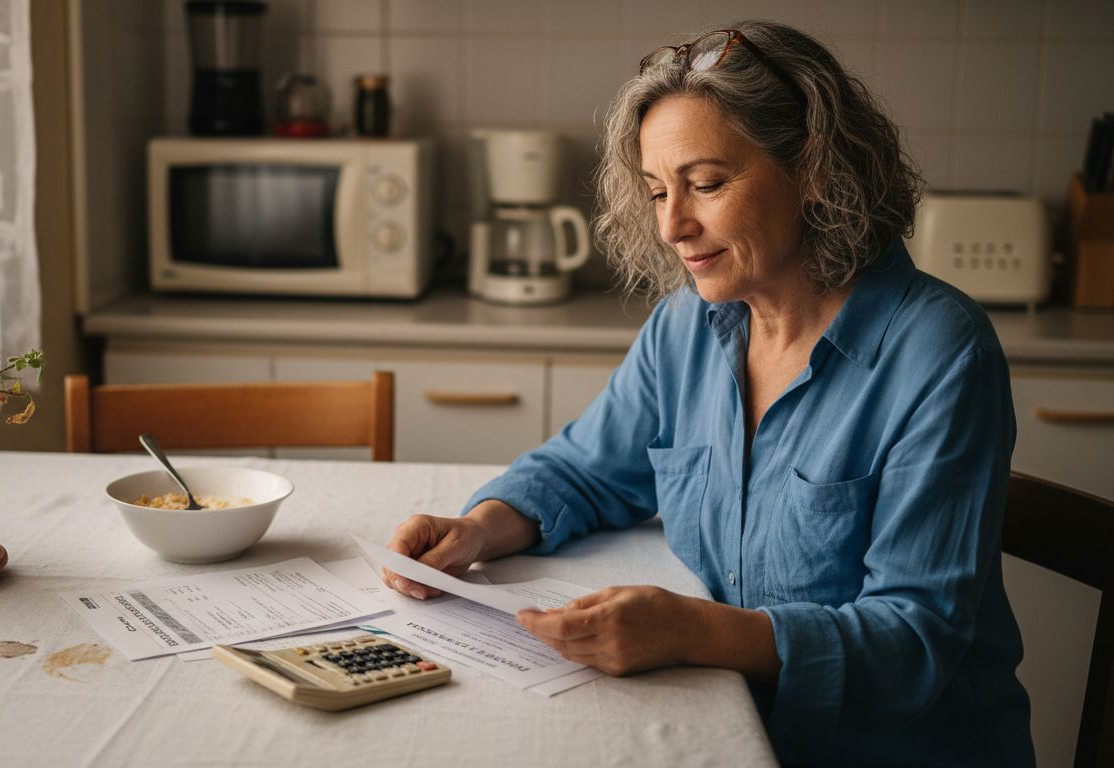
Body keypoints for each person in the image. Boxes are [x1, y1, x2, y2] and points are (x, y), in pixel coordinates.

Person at [381, 20, 1034, 768]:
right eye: (658, 191)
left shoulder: (938, 351)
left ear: (815, 169)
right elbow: (586, 469)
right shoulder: (688, 327)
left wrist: (694, 631)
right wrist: (480, 528)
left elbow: (911, 642)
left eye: (707, 184)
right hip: (729, 725)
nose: (671, 225)